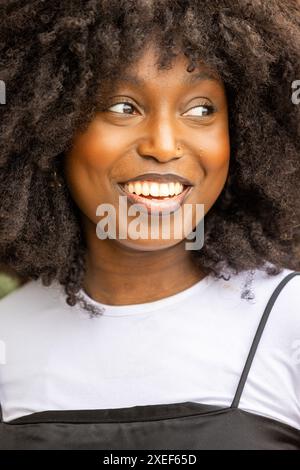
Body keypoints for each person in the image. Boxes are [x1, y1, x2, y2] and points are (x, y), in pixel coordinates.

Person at [0, 0, 299, 450]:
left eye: (200, 110)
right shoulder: (7, 336)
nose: (163, 146)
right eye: (123, 106)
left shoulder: (289, 319)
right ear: (50, 130)